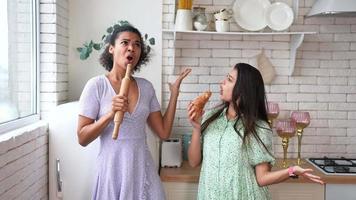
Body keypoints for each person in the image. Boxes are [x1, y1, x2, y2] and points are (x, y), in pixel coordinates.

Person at [77, 24, 191, 200]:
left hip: (142, 169)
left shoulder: (146, 87)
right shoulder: (96, 86)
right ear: (111, 49)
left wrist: (174, 94)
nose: (132, 48)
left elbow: (163, 132)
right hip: (112, 169)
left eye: (137, 44)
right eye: (125, 42)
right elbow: (82, 138)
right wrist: (110, 114)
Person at [187, 63, 324, 200]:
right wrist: (197, 128)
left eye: (229, 79)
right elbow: (193, 162)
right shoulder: (210, 117)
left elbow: (262, 178)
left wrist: (291, 171)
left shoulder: (258, 128)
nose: (222, 82)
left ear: (242, 89)